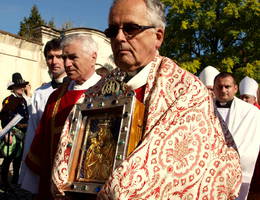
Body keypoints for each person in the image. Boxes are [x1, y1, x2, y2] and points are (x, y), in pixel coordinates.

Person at [50, 0, 242, 199]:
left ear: (158, 36)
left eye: (131, 28)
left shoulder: (186, 92)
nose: (119, 37)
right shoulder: (95, 92)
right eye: (112, 30)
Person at [25, 33, 101, 200]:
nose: (66, 64)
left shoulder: (108, 92)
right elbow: (42, 142)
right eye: (64, 57)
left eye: (72, 57)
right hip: (54, 187)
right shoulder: (55, 97)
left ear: (93, 57)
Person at [19, 38, 67, 195]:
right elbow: (32, 133)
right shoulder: (39, 93)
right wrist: (27, 172)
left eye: (59, 56)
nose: (54, 61)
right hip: (46, 160)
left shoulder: (78, 89)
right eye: (50, 57)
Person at [213, 72, 260, 200]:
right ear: (214, 88)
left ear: (235, 88)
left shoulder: (252, 113)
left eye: (227, 87)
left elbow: (253, 142)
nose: (223, 90)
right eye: (219, 86)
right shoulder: (202, 108)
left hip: (241, 172)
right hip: (211, 173)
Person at [0, 72, 29, 188]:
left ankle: (15, 182)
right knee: (8, 158)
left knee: (18, 159)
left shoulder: (24, 100)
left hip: (23, 133)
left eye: (22, 86)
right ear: (13, 88)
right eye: (19, 86)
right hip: (12, 133)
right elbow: (4, 118)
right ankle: (4, 183)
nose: (22, 88)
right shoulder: (8, 100)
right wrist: (8, 134)